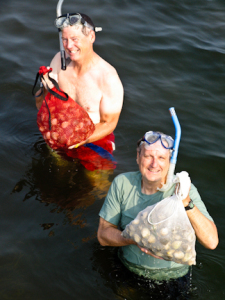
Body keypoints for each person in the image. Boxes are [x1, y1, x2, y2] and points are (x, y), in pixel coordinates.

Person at [97, 131, 218, 285]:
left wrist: (186, 202)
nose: (154, 164)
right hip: (127, 268)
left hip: (173, 277)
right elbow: (102, 236)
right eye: (148, 156)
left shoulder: (185, 190)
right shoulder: (122, 183)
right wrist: (135, 239)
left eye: (161, 158)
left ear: (170, 162)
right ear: (138, 156)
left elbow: (211, 242)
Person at [35, 12, 123, 149]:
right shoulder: (59, 60)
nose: (69, 46)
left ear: (91, 37)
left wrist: (80, 140)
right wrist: (45, 87)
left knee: (100, 171)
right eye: (64, 39)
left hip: (95, 141)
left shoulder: (108, 77)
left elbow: (109, 123)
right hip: (60, 135)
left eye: (75, 39)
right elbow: (41, 105)